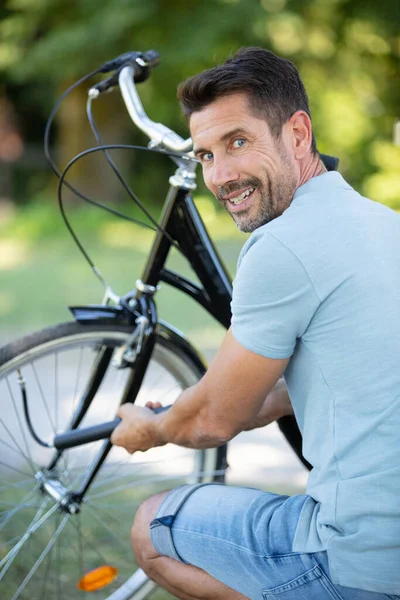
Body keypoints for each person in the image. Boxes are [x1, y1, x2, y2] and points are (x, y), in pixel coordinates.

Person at [111, 47, 400, 599]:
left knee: (152, 526)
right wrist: (197, 406)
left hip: (363, 560)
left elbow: (213, 422)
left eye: (237, 142)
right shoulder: (383, 224)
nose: (221, 176)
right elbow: (332, 380)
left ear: (296, 134)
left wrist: (153, 429)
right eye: (205, 156)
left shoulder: (281, 246)